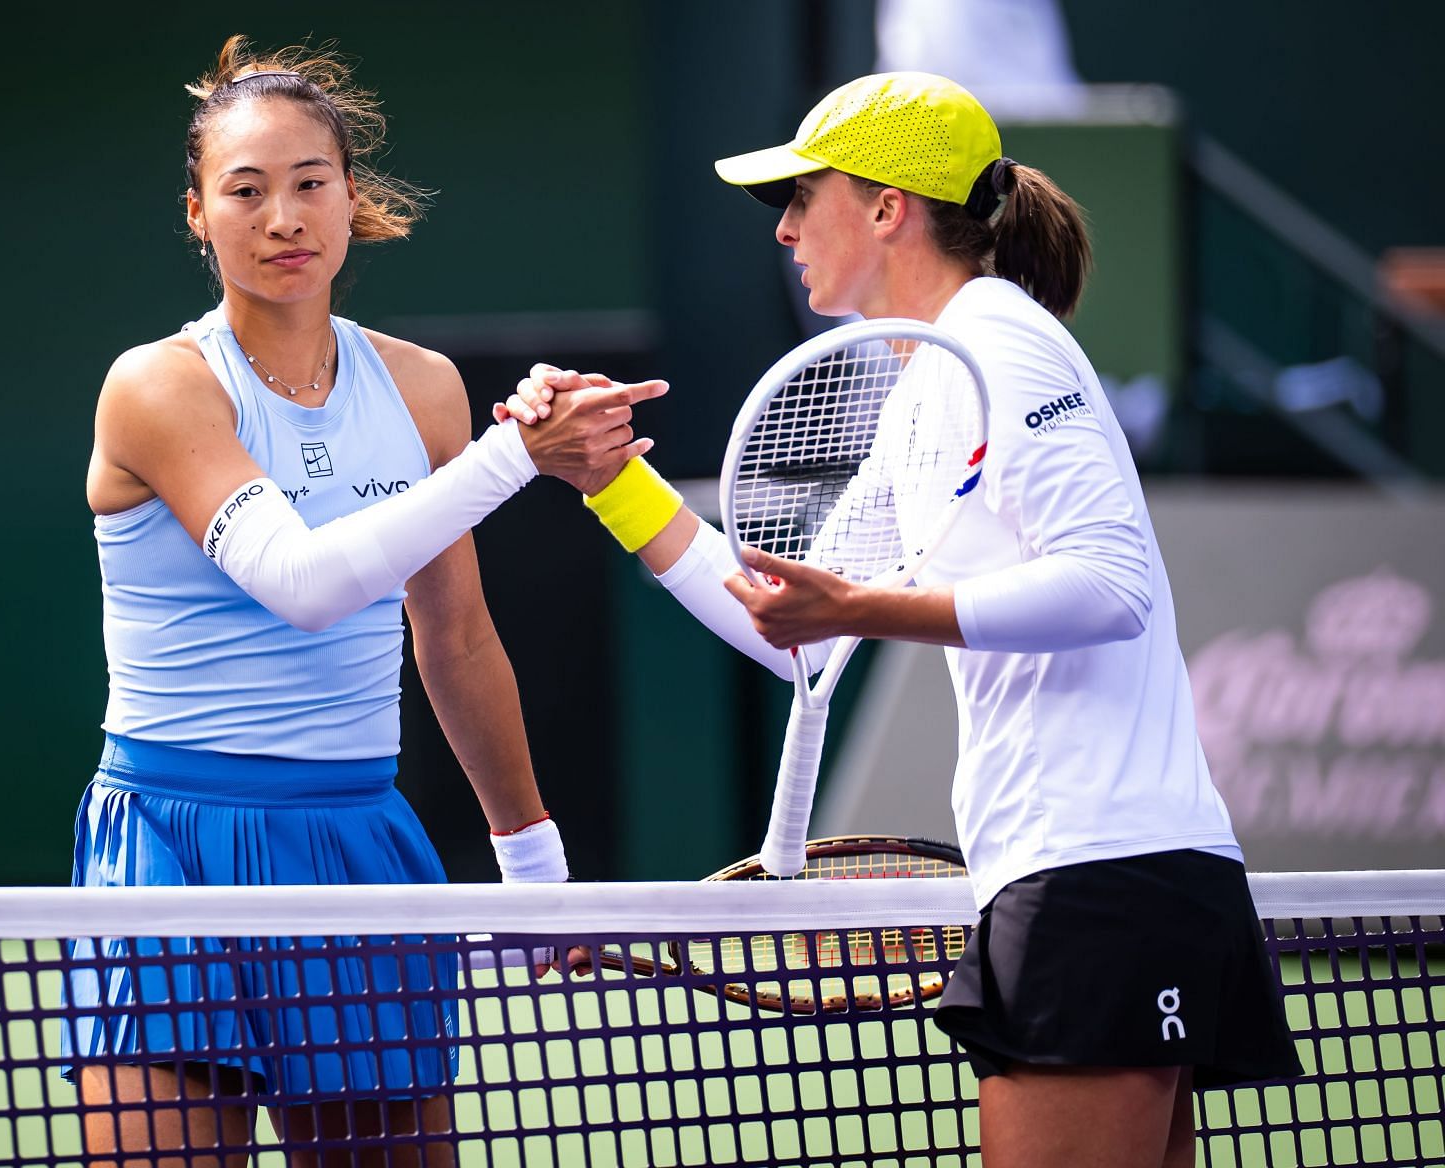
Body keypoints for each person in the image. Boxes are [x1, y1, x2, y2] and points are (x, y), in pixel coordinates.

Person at [498, 72, 1300, 1168]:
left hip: (1105, 872)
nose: (783, 228)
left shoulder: (1002, 343)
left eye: (801, 196)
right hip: (1082, 872)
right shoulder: (927, 380)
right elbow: (795, 624)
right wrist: (610, 485)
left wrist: (871, 604)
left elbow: (1112, 586)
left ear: (887, 207)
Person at [68, 35, 662, 1168]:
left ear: (352, 200)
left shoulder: (423, 387)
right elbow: (303, 585)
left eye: (309, 184)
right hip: (169, 844)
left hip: (357, 844)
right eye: (244, 191)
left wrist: (535, 865)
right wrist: (509, 459)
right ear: (198, 212)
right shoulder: (159, 387)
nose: (282, 217)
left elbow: (455, 633)